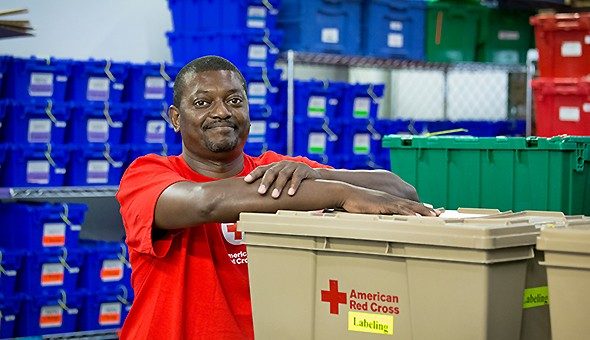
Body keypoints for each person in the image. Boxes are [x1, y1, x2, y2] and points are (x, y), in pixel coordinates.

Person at [116, 55, 437, 339]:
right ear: (175, 117)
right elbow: (205, 202)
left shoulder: (279, 171)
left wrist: (322, 176)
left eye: (234, 101)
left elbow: (402, 190)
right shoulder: (147, 175)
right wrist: (339, 194)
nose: (222, 112)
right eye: (202, 103)